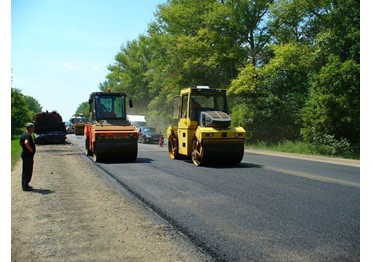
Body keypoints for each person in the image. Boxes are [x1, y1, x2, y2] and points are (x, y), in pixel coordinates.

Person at [19, 123, 36, 191]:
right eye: (33, 127)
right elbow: (26, 142)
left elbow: (20, 142)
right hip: (27, 156)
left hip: (25, 155)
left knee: (25, 170)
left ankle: (25, 184)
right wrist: (30, 149)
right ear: (30, 128)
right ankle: (25, 185)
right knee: (27, 170)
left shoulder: (24, 134)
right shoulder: (28, 135)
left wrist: (24, 148)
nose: (34, 129)